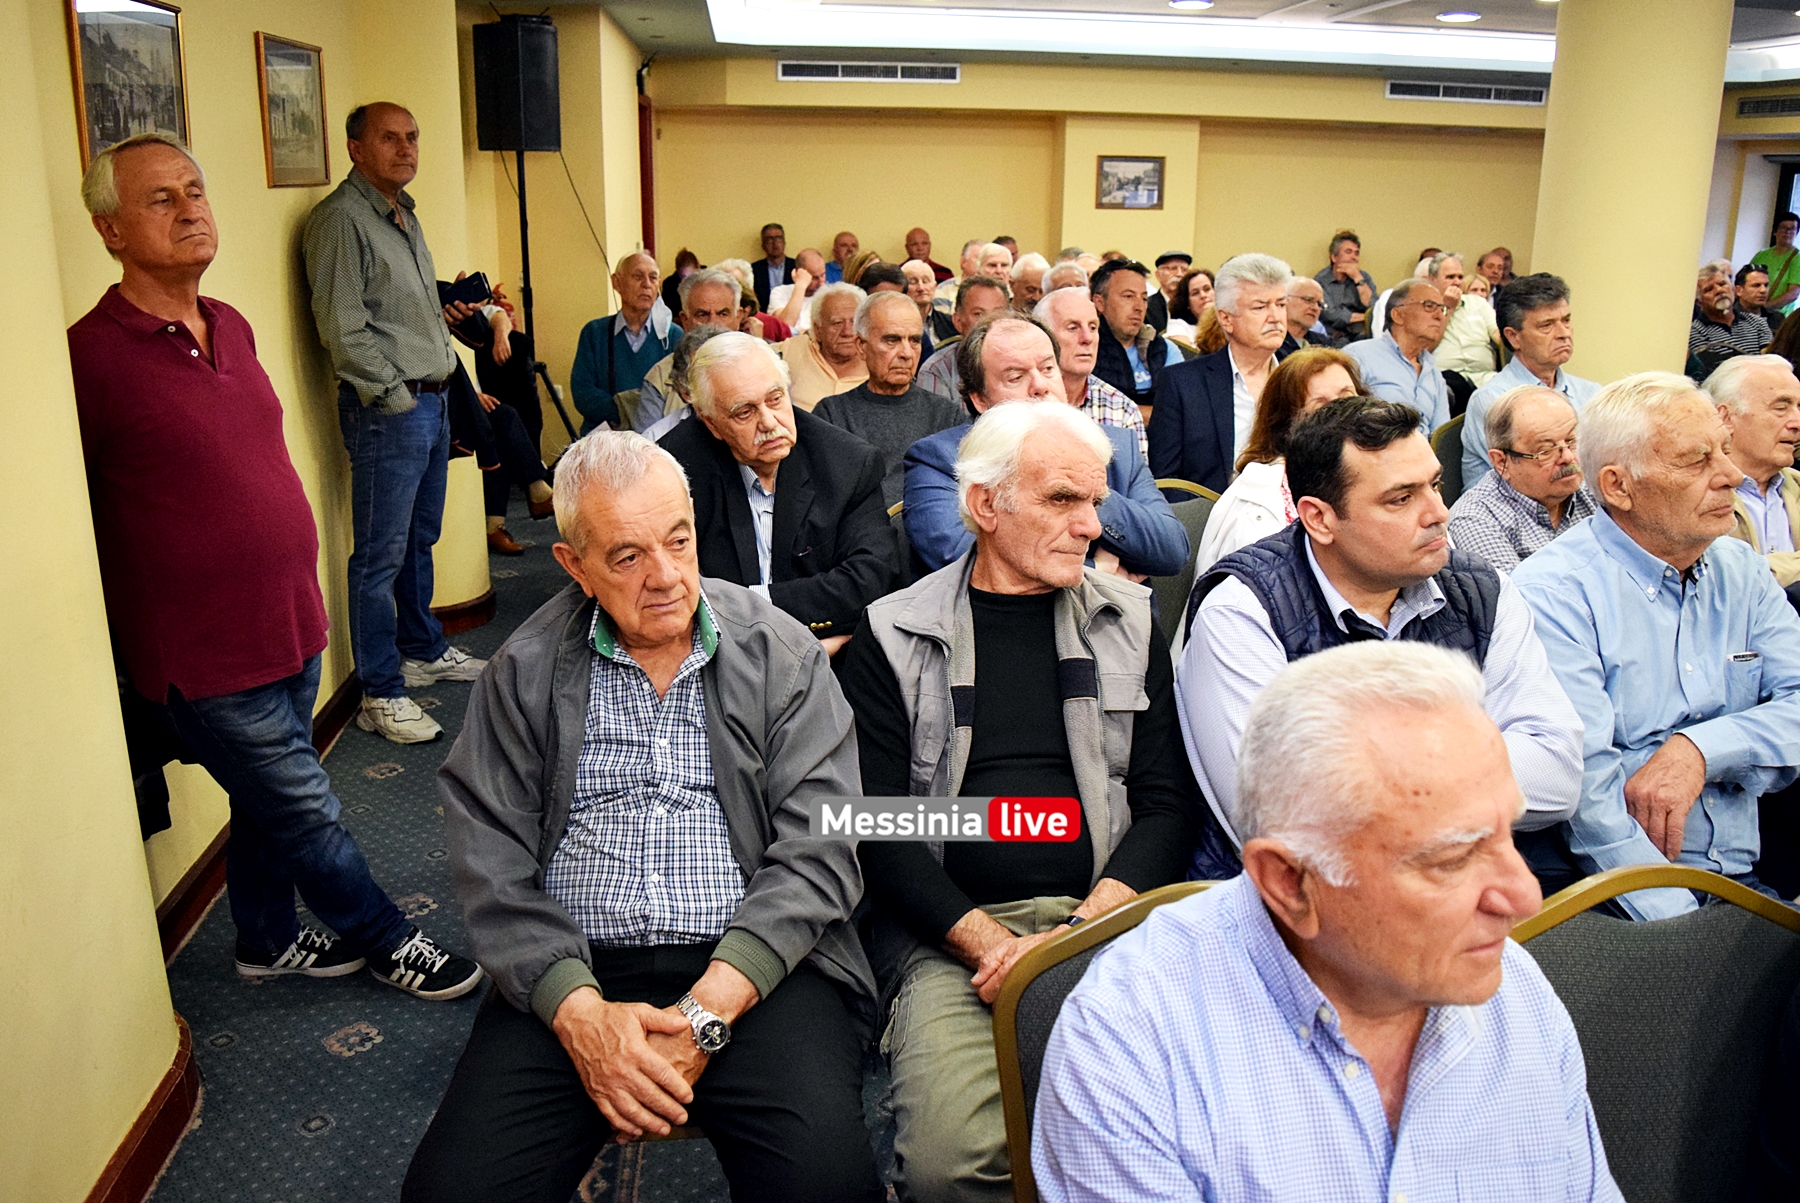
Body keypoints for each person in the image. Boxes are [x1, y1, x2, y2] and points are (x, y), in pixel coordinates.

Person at [407, 431, 884, 1203]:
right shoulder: (524, 668)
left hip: (760, 965)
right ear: (574, 565)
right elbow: (489, 856)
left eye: (678, 540)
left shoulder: (781, 652)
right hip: (575, 967)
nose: (665, 575)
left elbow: (821, 846)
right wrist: (578, 1012)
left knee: (825, 1186)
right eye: (627, 556)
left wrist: (708, 1010)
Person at [77, 132, 484, 1001]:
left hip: (290, 622)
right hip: (202, 654)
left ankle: (264, 939)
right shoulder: (89, 357)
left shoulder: (231, 322)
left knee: (264, 801)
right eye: (161, 199)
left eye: (195, 190)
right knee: (306, 807)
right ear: (110, 229)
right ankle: (387, 938)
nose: (190, 209)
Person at [1034, 641, 1622, 1203]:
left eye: (1506, 835)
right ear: (1291, 884)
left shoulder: (1518, 992)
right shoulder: (1131, 1041)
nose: (1524, 897)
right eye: (1452, 858)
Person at [841, 401, 1199, 1203]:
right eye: (1062, 499)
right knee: (947, 1167)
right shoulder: (894, 634)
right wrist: (990, 944)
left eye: (1095, 500)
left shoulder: (1130, 622)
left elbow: (1168, 804)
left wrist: (1080, 932)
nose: (1091, 524)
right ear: (985, 505)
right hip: (950, 937)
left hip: (1111, 920)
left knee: (1170, 1136)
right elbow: (878, 826)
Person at [1178, 398, 1583, 884]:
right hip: (1306, 912)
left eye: (1435, 485)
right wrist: (1474, 769)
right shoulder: (1243, 612)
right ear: (1319, 518)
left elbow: (1557, 775)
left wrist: (1378, 779)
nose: (1439, 513)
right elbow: (1284, 819)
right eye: (1401, 499)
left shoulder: (1484, 590)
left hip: (1481, 888)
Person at [1513, 372, 1800, 920]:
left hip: (1743, 883)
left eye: (1724, 450)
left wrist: (1700, 749)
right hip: (1618, 899)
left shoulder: (1741, 570)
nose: (1732, 475)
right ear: (1618, 487)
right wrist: (1680, 929)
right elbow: (1588, 795)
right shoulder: (1554, 594)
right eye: (1697, 461)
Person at [301, 101, 487, 744]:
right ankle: (380, 691)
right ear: (355, 148)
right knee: (378, 558)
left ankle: (421, 649)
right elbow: (342, 328)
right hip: (390, 410)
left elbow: (400, 312)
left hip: (432, 401)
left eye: (412, 137)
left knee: (418, 539)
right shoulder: (340, 221)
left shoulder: (403, 214)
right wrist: (395, 397)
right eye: (389, 138)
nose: (406, 148)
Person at [658, 332, 896, 651]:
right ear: (711, 424)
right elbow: (668, 591)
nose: (769, 422)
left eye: (775, 399)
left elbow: (871, 579)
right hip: (713, 654)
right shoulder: (671, 471)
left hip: (828, 653)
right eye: (745, 412)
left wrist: (754, 604)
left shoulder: (848, 463)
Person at [904, 315, 1188, 579]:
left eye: (1048, 369)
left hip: (1117, 615)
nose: (1040, 386)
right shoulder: (940, 461)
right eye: (1016, 377)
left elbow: (1173, 550)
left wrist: (1087, 490)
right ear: (980, 399)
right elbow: (964, 562)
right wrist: (1098, 573)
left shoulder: (1118, 448)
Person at [1191, 347, 1364, 576]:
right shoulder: (1257, 508)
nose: (1344, 414)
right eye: (1323, 407)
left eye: (1348, 398)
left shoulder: (1377, 477)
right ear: (1287, 426)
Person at [1148, 253, 1293, 492]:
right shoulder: (1182, 384)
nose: (1276, 318)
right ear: (1226, 319)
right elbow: (1165, 482)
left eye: (1281, 304)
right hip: (1210, 512)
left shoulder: (1301, 381)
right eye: (1260, 307)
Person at [814, 292, 964, 506]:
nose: (906, 353)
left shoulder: (947, 416)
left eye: (914, 341)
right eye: (892, 340)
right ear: (861, 346)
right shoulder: (831, 415)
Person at [1463, 273, 1602, 487]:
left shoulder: (1592, 394)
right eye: (1547, 325)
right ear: (1513, 337)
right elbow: (1536, 484)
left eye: (1566, 320)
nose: (1563, 333)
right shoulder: (1493, 401)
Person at [1448, 387, 1597, 572]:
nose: (1568, 457)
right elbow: (1518, 592)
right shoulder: (1475, 521)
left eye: (1571, 440)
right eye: (1546, 451)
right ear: (1502, 462)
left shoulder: (1593, 485)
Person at [1706, 354, 1800, 585]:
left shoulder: (1797, 485)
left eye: (1799, 408)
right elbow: (1726, 580)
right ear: (1725, 417)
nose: (1797, 423)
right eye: (1781, 408)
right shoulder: (1696, 494)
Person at [570, 251, 679, 433]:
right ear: (616, 282)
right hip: (604, 437)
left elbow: (677, 398)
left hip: (656, 438)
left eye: (653, 278)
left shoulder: (673, 336)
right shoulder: (594, 333)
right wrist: (625, 412)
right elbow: (583, 393)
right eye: (638, 276)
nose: (646, 284)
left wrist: (637, 420)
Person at [1036, 286, 1150, 460]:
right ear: (1042, 335)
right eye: (1073, 328)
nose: (1087, 338)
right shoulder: (1021, 400)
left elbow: (1136, 477)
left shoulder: (1122, 409)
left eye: (1093, 327)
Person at [634, 269, 745, 432]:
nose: (713, 323)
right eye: (702, 314)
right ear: (685, 321)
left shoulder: (766, 364)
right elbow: (645, 444)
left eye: (723, 314)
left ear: (738, 317)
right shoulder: (660, 377)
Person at [1344, 278, 1452, 433]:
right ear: (1398, 315)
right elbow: (1341, 423)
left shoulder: (1434, 375)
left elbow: (1440, 436)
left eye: (1442, 309)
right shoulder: (1358, 356)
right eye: (1429, 306)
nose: (1439, 316)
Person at [1089, 259, 1182, 411]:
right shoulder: (1085, 347)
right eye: (1128, 296)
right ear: (1099, 302)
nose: (1139, 307)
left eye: (1144, 298)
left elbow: (1180, 410)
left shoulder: (1164, 349)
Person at [774, 282, 870, 411]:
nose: (847, 332)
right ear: (817, 330)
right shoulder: (793, 350)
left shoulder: (877, 363)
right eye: (837, 323)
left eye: (854, 322)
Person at [916, 275, 1011, 402]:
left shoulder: (1027, 361)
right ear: (958, 322)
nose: (989, 322)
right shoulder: (937, 370)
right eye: (978, 314)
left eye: (998, 313)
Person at [1428, 252, 1503, 393]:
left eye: (1460, 277)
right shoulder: (1425, 308)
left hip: (1484, 377)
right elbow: (1427, 346)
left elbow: (1498, 334)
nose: (1457, 282)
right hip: (1444, 379)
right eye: (1450, 277)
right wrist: (1448, 308)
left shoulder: (1478, 303)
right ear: (1433, 279)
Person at [1692, 259, 1772, 359]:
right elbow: (1713, 367)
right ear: (1699, 303)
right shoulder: (1695, 332)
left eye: (1722, 284)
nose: (1719, 290)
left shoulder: (1757, 323)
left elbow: (1770, 361)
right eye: (1709, 289)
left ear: (1733, 289)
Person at [1315, 230, 1375, 344]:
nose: (1354, 257)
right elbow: (1332, 315)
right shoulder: (1320, 281)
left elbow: (1373, 306)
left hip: (1362, 336)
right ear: (1334, 257)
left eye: (1356, 253)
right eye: (1348, 252)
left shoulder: (1364, 277)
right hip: (1333, 338)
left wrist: (1358, 278)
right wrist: (1367, 317)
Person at [1751, 212, 1800, 318]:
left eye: (1792, 229)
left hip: (1778, 316)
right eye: (1783, 228)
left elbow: (1793, 293)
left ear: (1796, 233)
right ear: (1775, 231)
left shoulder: (1797, 258)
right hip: (1754, 312)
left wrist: (1766, 306)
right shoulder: (1762, 255)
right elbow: (1746, 280)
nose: (1787, 232)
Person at [768, 246, 827, 332]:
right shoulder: (779, 292)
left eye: (823, 275)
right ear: (798, 273)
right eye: (815, 278)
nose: (821, 282)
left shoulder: (828, 296)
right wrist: (800, 286)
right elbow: (785, 326)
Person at [902, 257, 952, 349]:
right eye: (913, 282)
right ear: (902, 288)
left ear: (935, 286)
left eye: (925, 281)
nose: (921, 288)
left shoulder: (950, 324)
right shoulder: (895, 325)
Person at [1279, 275, 1331, 357]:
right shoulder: (1271, 341)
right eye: (1308, 300)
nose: (1315, 308)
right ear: (1285, 300)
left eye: (1319, 304)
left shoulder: (1324, 345)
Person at [933, 239, 986, 317]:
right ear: (963, 261)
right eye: (978, 258)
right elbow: (941, 322)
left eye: (985, 259)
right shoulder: (944, 290)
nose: (982, 263)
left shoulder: (995, 291)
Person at [754, 222, 796, 312]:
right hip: (763, 316)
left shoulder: (797, 266)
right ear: (763, 245)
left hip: (791, 314)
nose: (775, 243)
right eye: (769, 239)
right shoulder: (754, 270)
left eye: (778, 238)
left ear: (784, 243)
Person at [1147, 250, 1192, 333]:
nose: (1179, 274)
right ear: (1158, 275)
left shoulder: (1192, 306)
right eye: (1173, 268)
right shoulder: (1147, 307)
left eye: (1184, 270)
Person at [1164, 268, 1213, 344]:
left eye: (1207, 289)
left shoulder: (1229, 321)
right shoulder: (1179, 326)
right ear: (1187, 304)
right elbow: (1183, 351)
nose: (1203, 295)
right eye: (1195, 293)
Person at [660, 246, 699, 313]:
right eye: (683, 277)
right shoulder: (669, 286)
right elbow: (668, 312)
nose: (687, 281)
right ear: (677, 271)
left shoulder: (706, 281)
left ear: (697, 268)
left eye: (691, 277)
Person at [1739, 262, 1779, 327]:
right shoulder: (1727, 317)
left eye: (1766, 285)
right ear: (1739, 290)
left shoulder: (1777, 318)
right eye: (1756, 285)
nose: (1763, 290)